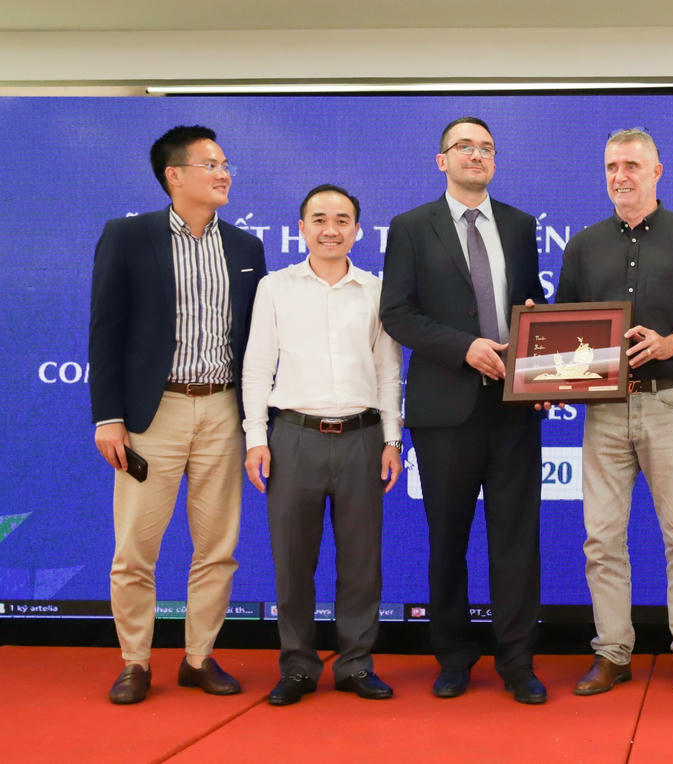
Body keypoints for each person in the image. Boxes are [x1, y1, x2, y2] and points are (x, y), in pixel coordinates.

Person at [89, 125, 266, 704]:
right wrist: (108, 416)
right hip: (153, 412)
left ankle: (198, 657)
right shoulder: (128, 236)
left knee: (217, 546)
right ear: (175, 175)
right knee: (134, 549)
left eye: (226, 164)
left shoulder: (245, 248)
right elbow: (105, 331)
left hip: (223, 410)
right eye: (211, 164)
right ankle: (135, 661)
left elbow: (255, 341)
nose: (224, 173)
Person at [558, 128, 673, 697]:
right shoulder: (584, 245)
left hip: (671, 402)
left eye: (632, 165)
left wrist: (669, 344)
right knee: (601, 538)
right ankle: (612, 652)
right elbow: (563, 331)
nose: (621, 176)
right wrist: (542, 352)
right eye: (612, 166)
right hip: (605, 411)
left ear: (657, 172)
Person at [380, 117, 548, 704]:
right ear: (442, 160)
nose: (476, 155)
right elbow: (397, 313)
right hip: (445, 409)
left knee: (516, 540)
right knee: (447, 539)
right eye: (464, 147)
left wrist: (542, 353)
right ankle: (452, 655)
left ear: (494, 162)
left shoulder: (520, 225)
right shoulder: (411, 227)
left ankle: (518, 661)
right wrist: (464, 347)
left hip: (514, 407)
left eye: (486, 148)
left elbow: (532, 306)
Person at [241, 184, 404, 705]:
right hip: (293, 438)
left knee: (362, 563)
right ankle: (297, 667)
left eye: (341, 220)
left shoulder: (377, 290)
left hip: (362, 438)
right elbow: (256, 367)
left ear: (357, 229)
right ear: (301, 228)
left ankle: (356, 664)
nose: (330, 229)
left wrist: (392, 438)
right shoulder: (275, 287)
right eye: (318, 219)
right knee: (292, 562)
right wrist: (256, 437)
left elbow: (388, 371)